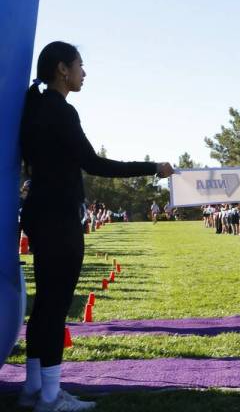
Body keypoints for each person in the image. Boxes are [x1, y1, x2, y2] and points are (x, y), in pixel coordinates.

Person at [18, 41, 174, 411]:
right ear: (61, 69)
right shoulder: (60, 110)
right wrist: (152, 167)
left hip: (40, 213)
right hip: (59, 216)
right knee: (56, 306)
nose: (83, 73)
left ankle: (33, 388)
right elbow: (94, 164)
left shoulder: (36, 107)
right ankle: (51, 398)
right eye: (80, 66)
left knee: (44, 305)